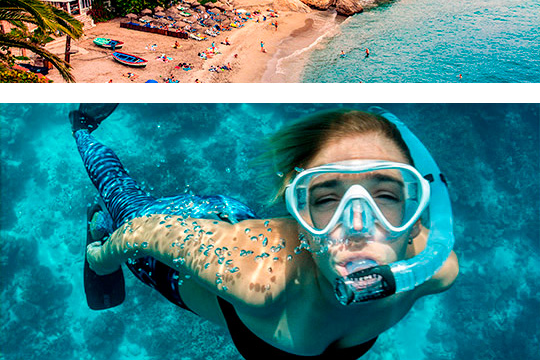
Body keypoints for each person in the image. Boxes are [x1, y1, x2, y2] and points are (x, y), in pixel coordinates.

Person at [75, 106, 458, 360]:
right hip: (180, 249)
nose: (357, 225)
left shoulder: (434, 268)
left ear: (415, 214)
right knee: (122, 200)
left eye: (386, 195)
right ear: (300, 216)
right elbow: (142, 233)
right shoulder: (257, 277)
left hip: (238, 221)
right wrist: (100, 259)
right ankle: (81, 128)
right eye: (327, 198)